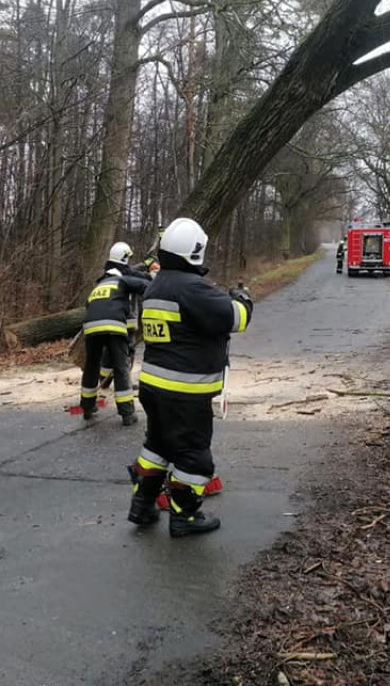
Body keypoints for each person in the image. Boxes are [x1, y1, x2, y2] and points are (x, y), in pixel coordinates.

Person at [126, 217, 254, 537]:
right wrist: (242, 298)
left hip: (154, 388)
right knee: (194, 457)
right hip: (184, 392)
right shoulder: (191, 288)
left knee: (157, 446)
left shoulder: (156, 285)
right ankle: (185, 517)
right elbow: (235, 319)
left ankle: (141, 506)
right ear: (195, 252)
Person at [80, 242, 150, 426]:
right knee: (120, 367)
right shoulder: (122, 281)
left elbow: (89, 307)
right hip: (114, 327)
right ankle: (127, 413)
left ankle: (87, 407)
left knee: (91, 366)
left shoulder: (97, 286)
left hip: (91, 327)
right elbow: (145, 285)